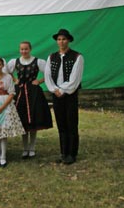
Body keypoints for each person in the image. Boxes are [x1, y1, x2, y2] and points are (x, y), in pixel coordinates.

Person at [44, 29, 84, 165]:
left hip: (70, 95)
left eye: (64, 39)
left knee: (71, 123)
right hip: (56, 94)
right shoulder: (51, 57)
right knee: (61, 124)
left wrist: (63, 90)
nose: (61, 42)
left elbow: (75, 79)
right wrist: (54, 89)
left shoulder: (77, 57)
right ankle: (63, 153)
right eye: (59, 39)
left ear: (69, 41)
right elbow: (47, 76)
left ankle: (72, 153)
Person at [7, 41, 53, 159]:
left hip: (34, 93)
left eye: (26, 49)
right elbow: (6, 72)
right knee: (22, 120)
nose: (24, 51)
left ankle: (32, 148)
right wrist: (14, 79)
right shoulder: (14, 62)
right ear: (19, 50)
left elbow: (50, 72)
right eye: (22, 49)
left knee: (33, 119)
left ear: (30, 49)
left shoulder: (38, 61)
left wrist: (39, 81)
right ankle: (25, 148)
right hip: (20, 93)